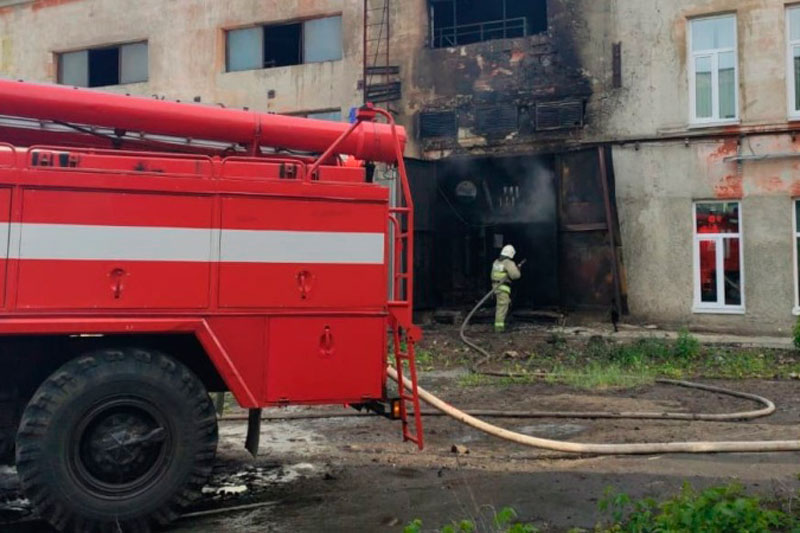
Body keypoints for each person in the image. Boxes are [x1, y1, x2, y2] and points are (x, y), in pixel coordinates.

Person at [490, 244, 521, 333]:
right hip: (503, 288)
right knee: (502, 307)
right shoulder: (508, 263)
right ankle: (499, 329)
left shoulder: (496, 262)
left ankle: (500, 326)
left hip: (495, 287)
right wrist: (517, 269)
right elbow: (515, 276)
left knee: (501, 306)